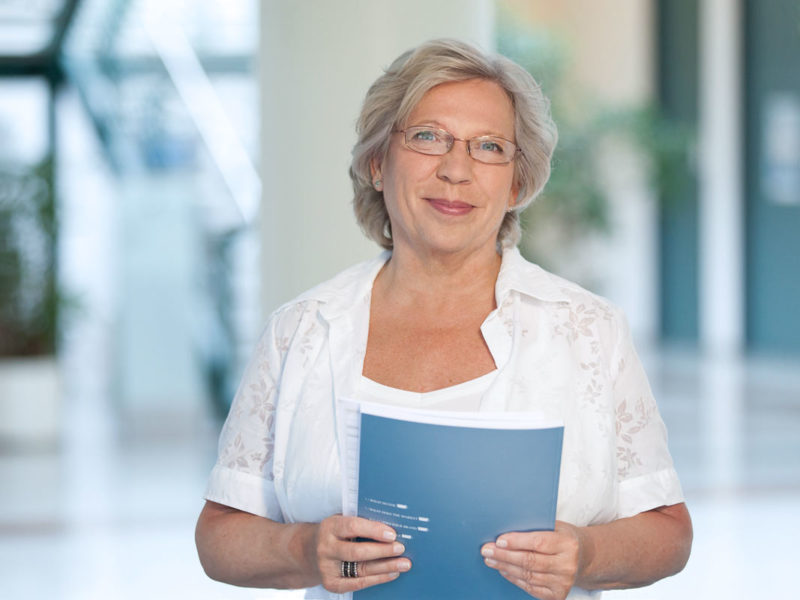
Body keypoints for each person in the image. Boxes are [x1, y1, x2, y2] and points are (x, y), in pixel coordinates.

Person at [195, 38, 692, 600]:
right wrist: (303, 550)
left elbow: (669, 533)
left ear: (517, 183)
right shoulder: (302, 330)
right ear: (379, 163)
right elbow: (219, 536)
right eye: (428, 137)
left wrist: (588, 553)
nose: (456, 170)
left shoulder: (588, 331)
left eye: (489, 147)